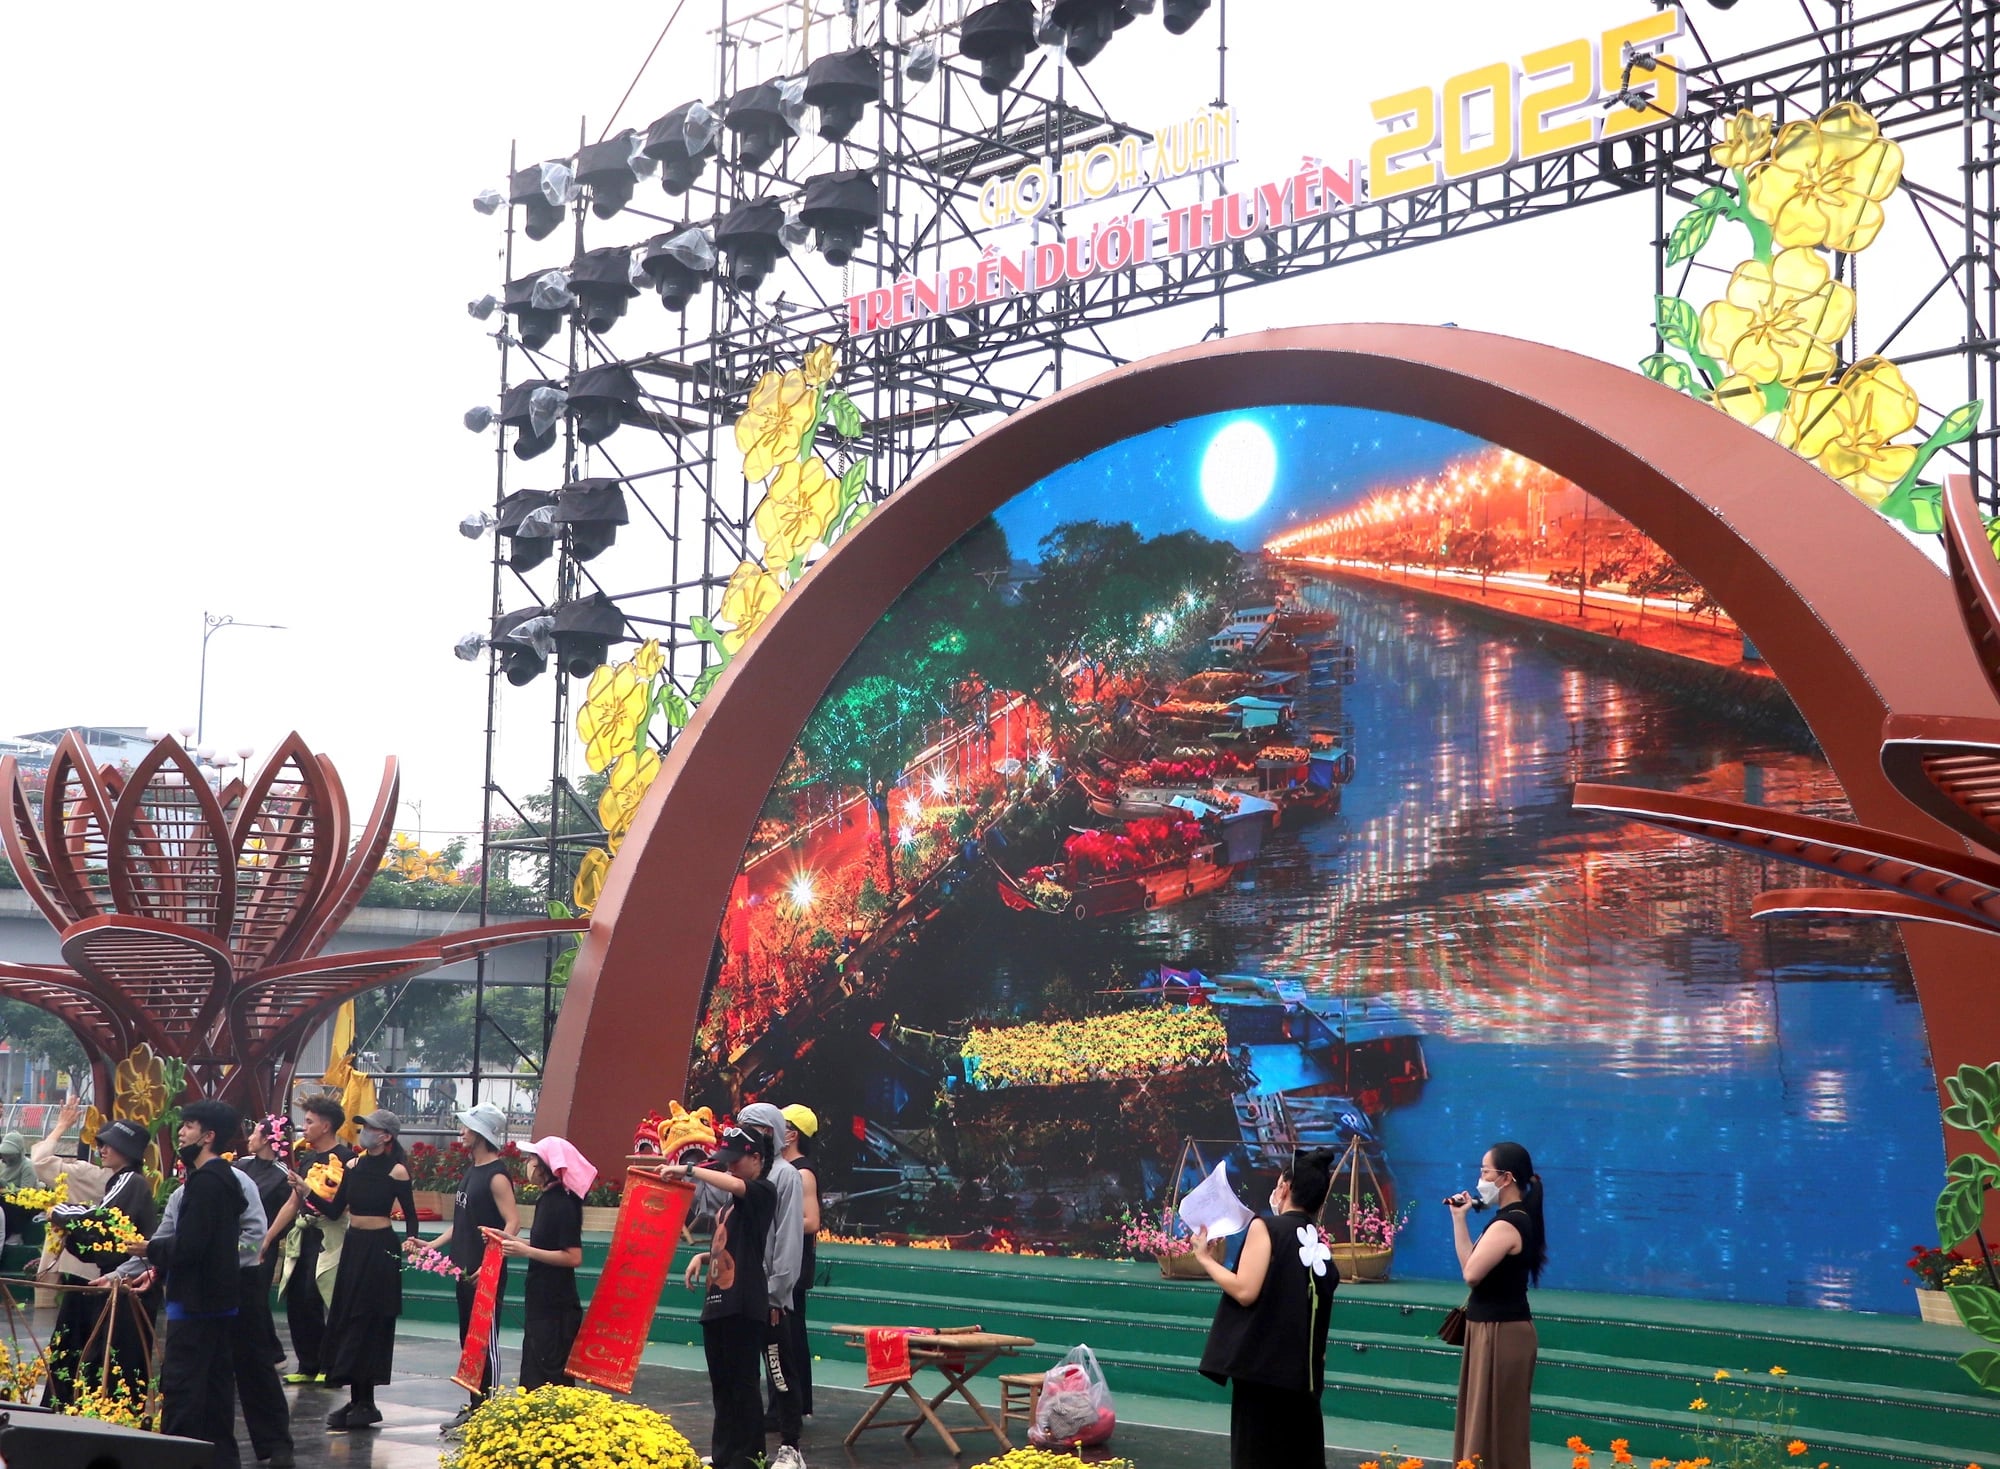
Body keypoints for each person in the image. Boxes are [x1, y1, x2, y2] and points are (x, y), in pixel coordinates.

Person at [1195, 1148, 1339, 1469]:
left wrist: (1205, 1259)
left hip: (1263, 1377)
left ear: (1285, 1188)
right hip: (1303, 1379)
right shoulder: (1318, 1246)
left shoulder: (1268, 1228)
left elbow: (1246, 1291)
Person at [664, 1126, 780, 1469]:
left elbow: (735, 1185)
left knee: (742, 1385)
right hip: (718, 1301)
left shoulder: (762, 1191)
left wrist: (688, 1169)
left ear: (757, 1159)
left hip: (744, 1302)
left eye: (736, 1160)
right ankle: (725, 1454)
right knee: (722, 1386)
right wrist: (702, 1257)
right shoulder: (732, 1205)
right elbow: (729, 1243)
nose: (730, 1167)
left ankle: (747, 1458)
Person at [149, 1099, 248, 1468]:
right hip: (218, 1301)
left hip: (196, 1303)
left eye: (189, 1126)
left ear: (208, 1136)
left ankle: (178, 1459)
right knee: (216, 1392)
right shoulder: (222, 1179)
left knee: (183, 1391)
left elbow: (190, 1247)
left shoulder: (207, 1183)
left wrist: (151, 1248)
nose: (181, 1132)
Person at [41, 1112, 159, 1409]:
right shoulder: (125, 1182)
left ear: (130, 1153)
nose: (103, 1150)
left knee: (116, 1356)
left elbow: (99, 1220)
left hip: (127, 1282)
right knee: (109, 1356)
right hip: (118, 1280)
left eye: (111, 1145)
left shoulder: (130, 1181)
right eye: (102, 1144)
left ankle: (113, 1414)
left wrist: (60, 1212)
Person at [313, 1108, 419, 1432]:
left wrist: (413, 1241)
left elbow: (411, 1216)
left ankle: (366, 1400)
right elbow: (334, 1211)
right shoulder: (352, 1165)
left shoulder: (397, 1171)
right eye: (364, 1126)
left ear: (386, 1136)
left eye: (371, 1128)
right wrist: (307, 1193)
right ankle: (357, 1397)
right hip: (355, 1245)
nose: (364, 1132)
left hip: (380, 1248)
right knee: (348, 1318)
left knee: (370, 1320)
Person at [417, 1102, 519, 1430]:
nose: (461, 1131)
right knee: (468, 1341)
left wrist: (493, 1260)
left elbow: (513, 1221)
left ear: (480, 1134)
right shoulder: (472, 1171)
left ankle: (485, 1409)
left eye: (466, 1127)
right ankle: (475, 1404)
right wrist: (432, 1246)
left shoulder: (496, 1175)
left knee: (484, 1342)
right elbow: (462, 1222)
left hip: (483, 1274)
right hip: (463, 1271)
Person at [1448, 1139, 1547, 1469]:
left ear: (1505, 1178)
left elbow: (1472, 1275)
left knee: (1497, 1424)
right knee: (1484, 1418)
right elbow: (1471, 1266)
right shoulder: (1508, 1220)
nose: (1480, 1180)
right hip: (1489, 1327)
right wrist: (1459, 1219)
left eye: (1485, 1172)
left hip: (1501, 1331)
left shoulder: (1509, 1223)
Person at [735, 1102, 803, 1462]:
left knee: (779, 1372)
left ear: (769, 1133)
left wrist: (777, 1294)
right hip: (741, 1291)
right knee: (743, 1374)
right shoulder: (746, 1174)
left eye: (753, 1127)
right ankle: (743, 1449)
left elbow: (789, 1238)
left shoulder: (785, 1176)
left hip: (770, 1295)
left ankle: (791, 1447)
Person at [498, 1136, 592, 1389]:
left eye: (532, 1159)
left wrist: (526, 1251)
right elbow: (545, 1243)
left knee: (550, 1376)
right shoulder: (548, 1199)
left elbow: (573, 1256)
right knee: (534, 1369)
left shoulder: (562, 1203)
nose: (528, 1164)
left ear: (545, 1167)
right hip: (542, 1299)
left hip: (555, 1305)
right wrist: (510, 1240)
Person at [272, 1095, 351, 1384]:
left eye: (309, 1122)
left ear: (326, 1125)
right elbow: (292, 1203)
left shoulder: (345, 1160)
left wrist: (306, 1190)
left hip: (328, 1236)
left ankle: (329, 1364)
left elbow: (336, 1209)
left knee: (318, 1295)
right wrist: (269, 1237)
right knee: (297, 1297)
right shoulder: (307, 1159)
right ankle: (307, 1363)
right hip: (303, 1233)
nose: (303, 1127)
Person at [773, 1104, 820, 1424]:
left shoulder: (802, 1173)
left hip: (794, 1263)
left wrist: (773, 1223)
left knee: (790, 1336)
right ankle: (790, 1405)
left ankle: (792, 1405)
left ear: (791, 1134)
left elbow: (811, 1221)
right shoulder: (777, 1168)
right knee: (782, 1336)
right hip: (780, 1258)